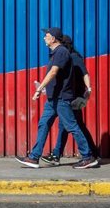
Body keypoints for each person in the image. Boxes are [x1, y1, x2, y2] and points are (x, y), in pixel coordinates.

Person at [16, 27, 98, 169]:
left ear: (53, 38)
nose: (44, 38)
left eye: (46, 36)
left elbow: (54, 72)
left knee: (72, 126)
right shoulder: (56, 53)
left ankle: (88, 156)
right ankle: (34, 157)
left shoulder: (61, 52)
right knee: (44, 124)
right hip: (53, 98)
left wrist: (40, 88)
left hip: (61, 98)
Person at [40, 35, 98, 166]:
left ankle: (89, 154)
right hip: (69, 95)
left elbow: (85, 73)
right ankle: (59, 154)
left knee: (71, 125)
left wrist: (88, 89)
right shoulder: (65, 56)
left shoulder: (73, 57)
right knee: (70, 125)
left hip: (74, 96)